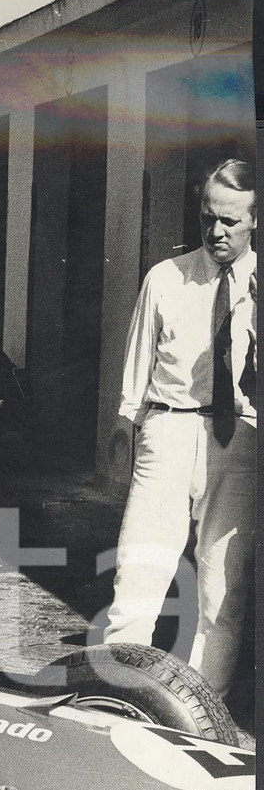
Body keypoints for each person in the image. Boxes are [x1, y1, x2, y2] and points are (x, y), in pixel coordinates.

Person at [104, 157, 256, 697]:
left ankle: (201, 711)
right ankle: (118, 697)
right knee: (139, 571)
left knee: (222, 588)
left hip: (239, 440)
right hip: (166, 432)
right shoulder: (165, 278)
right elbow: (135, 372)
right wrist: (126, 433)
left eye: (231, 222)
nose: (216, 231)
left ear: (254, 220)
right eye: (208, 217)